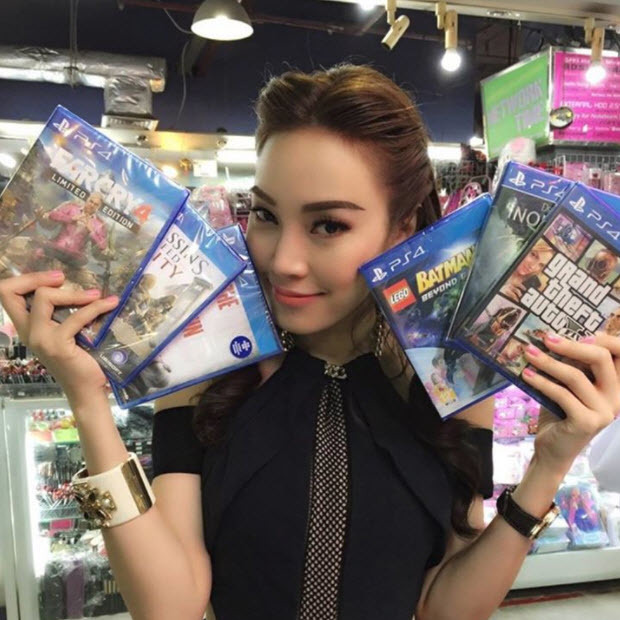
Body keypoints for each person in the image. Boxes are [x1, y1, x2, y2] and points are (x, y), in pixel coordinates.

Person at [0, 64, 618, 620]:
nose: (284, 261)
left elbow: (444, 608)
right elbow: (170, 607)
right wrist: (87, 401)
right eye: (267, 215)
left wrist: (550, 464)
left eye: (328, 225)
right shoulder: (204, 362)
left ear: (402, 226)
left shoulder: (447, 375)